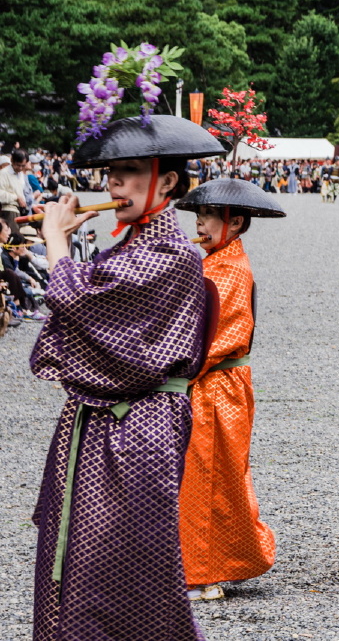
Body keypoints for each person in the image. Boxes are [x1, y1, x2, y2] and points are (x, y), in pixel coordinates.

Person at [29, 114, 223, 640]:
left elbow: (80, 303)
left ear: (167, 181)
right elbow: (88, 302)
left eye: (131, 170)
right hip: (106, 422)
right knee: (77, 554)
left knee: (116, 565)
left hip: (137, 427)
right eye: (110, 172)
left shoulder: (171, 252)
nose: (114, 182)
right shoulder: (134, 245)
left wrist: (55, 242)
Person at [175, 178, 287, 601]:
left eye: (209, 216)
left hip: (214, 383)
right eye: (199, 215)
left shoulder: (230, 269)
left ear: (235, 222)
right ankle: (211, 563)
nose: (200, 223)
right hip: (208, 381)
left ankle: (204, 572)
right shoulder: (214, 262)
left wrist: (170, 374)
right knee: (206, 475)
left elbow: (209, 340)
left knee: (206, 476)